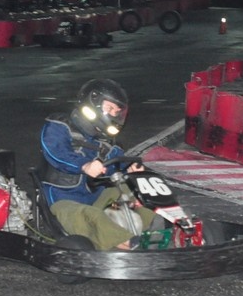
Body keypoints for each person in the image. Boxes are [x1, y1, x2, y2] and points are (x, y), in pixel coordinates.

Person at [39, 79, 156, 250]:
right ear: (93, 103)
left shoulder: (107, 142)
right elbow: (55, 152)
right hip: (63, 200)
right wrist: (84, 165)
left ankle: (143, 232)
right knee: (92, 215)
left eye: (116, 112)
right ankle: (126, 243)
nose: (113, 115)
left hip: (96, 198)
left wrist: (130, 169)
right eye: (110, 108)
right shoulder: (59, 126)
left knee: (144, 190)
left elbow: (117, 164)